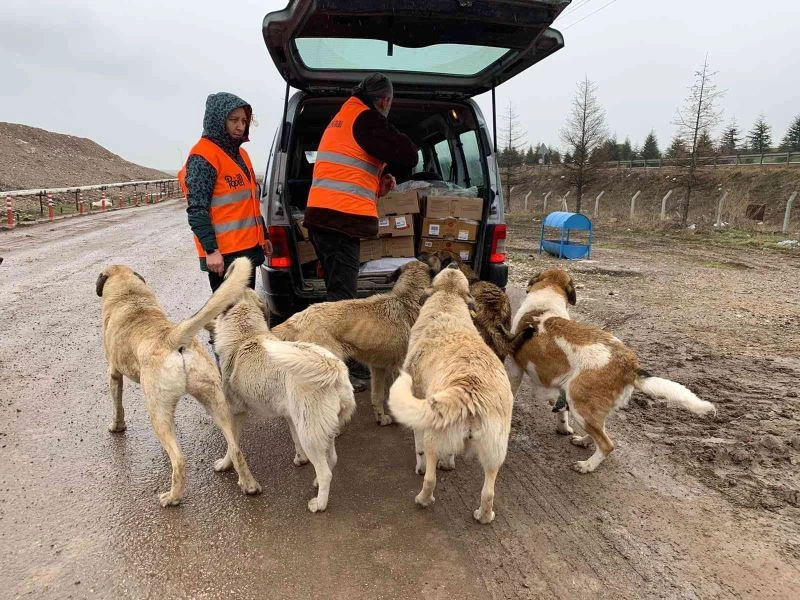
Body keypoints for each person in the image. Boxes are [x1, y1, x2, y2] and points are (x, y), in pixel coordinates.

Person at [303, 73, 418, 391]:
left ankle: (336, 361)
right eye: (389, 104)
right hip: (337, 221)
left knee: (337, 295)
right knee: (342, 301)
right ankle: (340, 371)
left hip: (327, 218)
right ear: (383, 100)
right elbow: (409, 153)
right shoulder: (366, 118)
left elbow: (352, 171)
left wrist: (379, 178)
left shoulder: (344, 117)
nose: (388, 109)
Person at [179, 92, 272, 292]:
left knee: (246, 315)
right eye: (233, 120)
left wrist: (262, 236)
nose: (240, 126)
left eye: (244, 121)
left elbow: (250, 204)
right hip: (225, 256)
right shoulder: (203, 157)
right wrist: (211, 250)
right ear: (218, 120)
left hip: (247, 251)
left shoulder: (241, 155)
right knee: (231, 318)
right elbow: (197, 210)